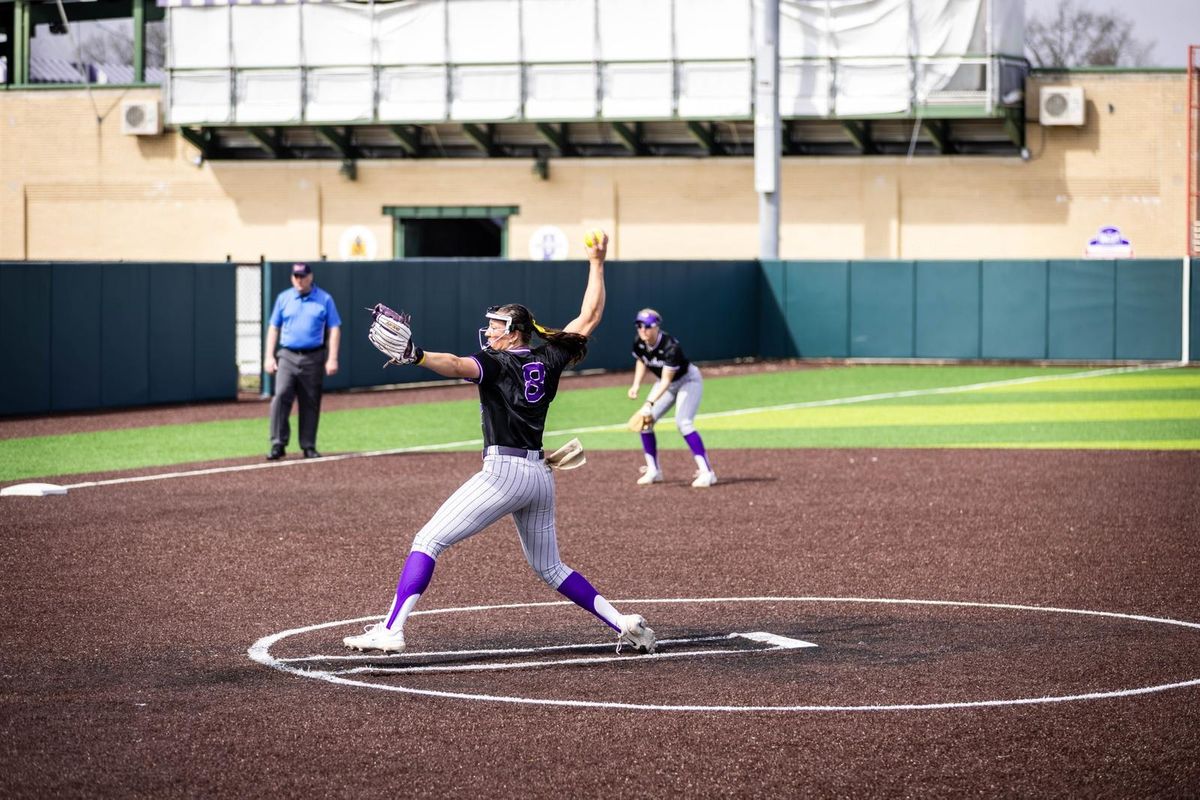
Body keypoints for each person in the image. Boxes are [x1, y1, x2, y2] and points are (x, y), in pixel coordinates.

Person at [343, 231, 657, 655]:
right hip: (539, 475)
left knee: (428, 541)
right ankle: (623, 622)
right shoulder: (551, 356)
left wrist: (415, 354)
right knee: (550, 566)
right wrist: (597, 262)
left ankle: (392, 629)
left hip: (504, 474)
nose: (489, 332)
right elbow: (589, 316)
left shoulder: (497, 361)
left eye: (495, 326)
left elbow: (455, 365)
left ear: (514, 333)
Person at [627, 308, 717, 488]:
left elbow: (667, 381)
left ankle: (708, 473)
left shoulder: (670, 347)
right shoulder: (639, 342)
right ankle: (654, 470)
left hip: (688, 381)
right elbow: (641, 360)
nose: (642, 329)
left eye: (646, 326)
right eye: (638, 325)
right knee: (646, 422)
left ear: (656, 326)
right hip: (665, 383)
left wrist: (649, 402)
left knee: (683, 422)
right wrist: (636, 384)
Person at [263, 262, 342, 460]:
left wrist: (332, 358)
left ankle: (308, 445)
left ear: (310, 277)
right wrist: (268, 356)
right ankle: (278, 444)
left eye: (303, 276)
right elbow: (274, 327)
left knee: (310, 400)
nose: (299, 280)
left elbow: (334, 328)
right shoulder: (284, 298)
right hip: (288, 355)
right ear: (292, 278)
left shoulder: (324, 299)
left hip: (313, 356)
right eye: (296, 276)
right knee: (280, 396)